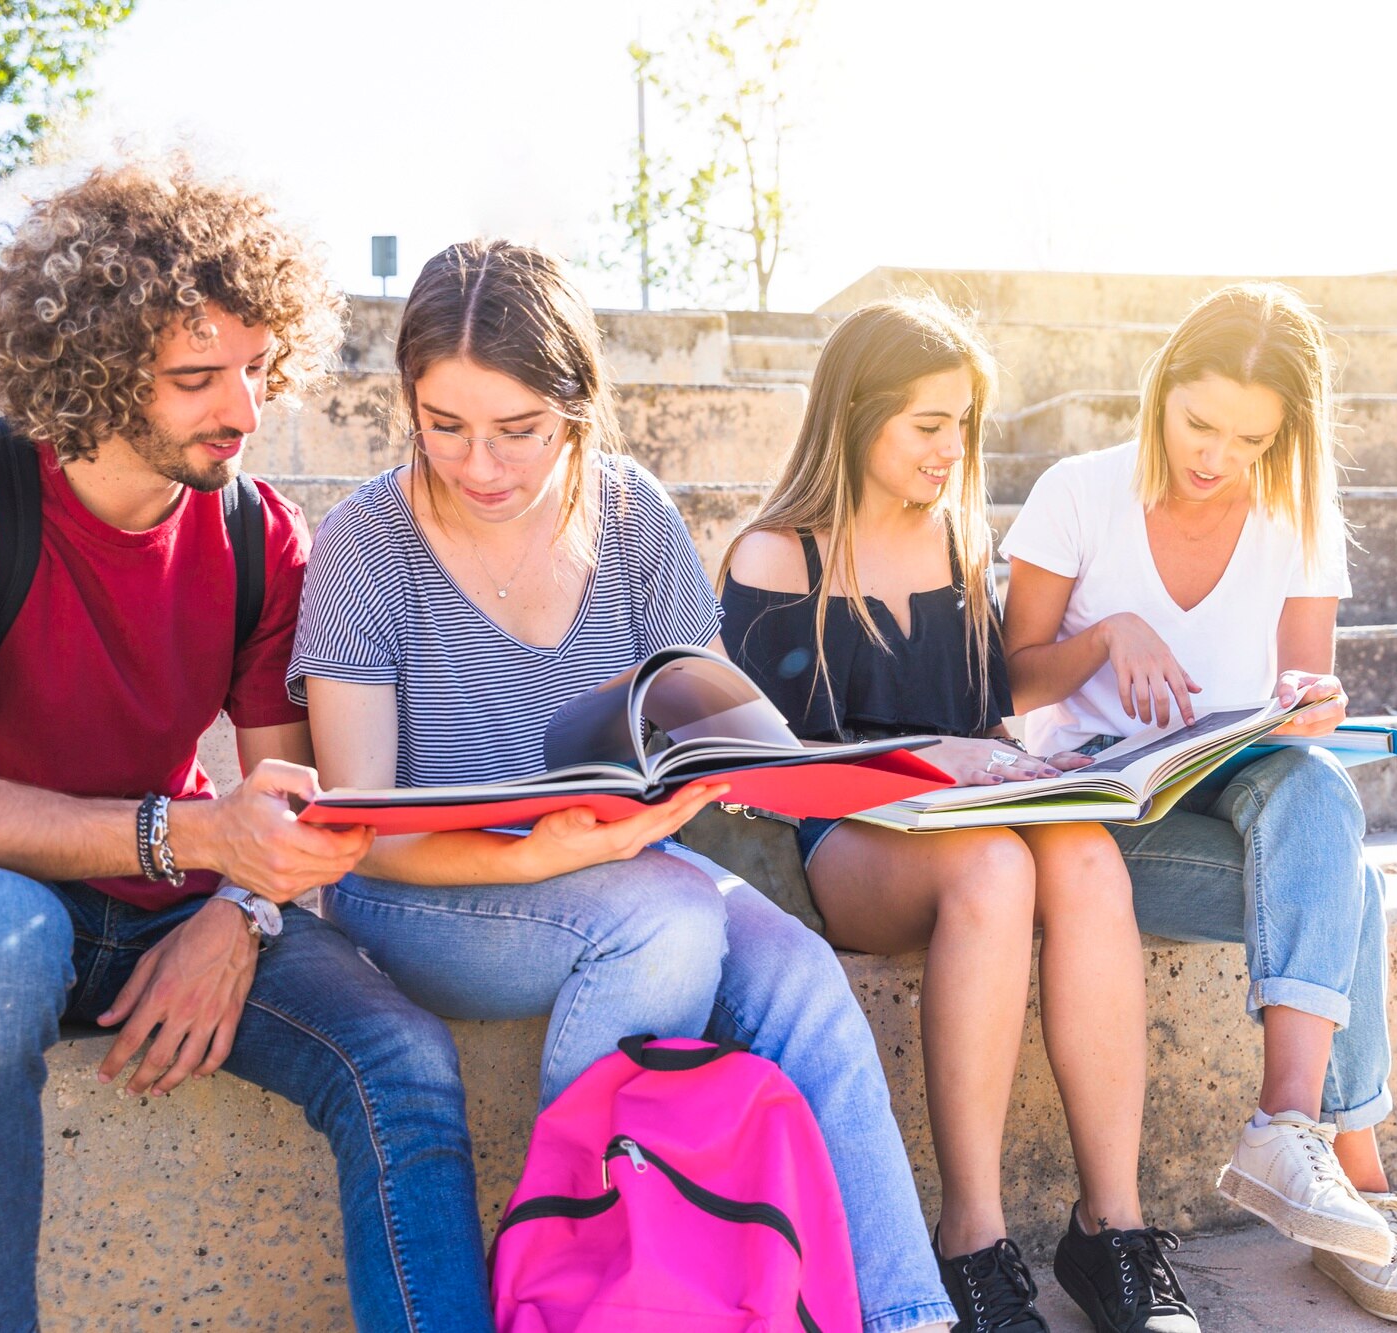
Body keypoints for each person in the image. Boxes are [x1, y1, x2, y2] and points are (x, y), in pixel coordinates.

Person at [0, 159, 494, 1333]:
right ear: (90, 370)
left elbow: (288, 806)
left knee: (401, 1056)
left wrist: (237, 916)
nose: (240, 410)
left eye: (251, 367)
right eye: (196, 377)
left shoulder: (260, 536)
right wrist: (187, 835)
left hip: (171, 908)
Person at [290, 237, 960, 1333]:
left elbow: (710, 704)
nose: (480, 467)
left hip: (615, 857)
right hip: (422, 890)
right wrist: (546, 854)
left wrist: (758, 764)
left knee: (799, 978)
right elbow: (364, 832)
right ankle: (590, 1301)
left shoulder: (632, 512)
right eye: (442, 424)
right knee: (662, 923)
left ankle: (904, 1314)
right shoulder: (364, 540)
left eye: (520, 431)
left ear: (579, 405)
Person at [720, 297, 1197, 1333]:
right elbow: (759, 767)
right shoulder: (776, 554)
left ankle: (1110, 1231)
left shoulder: (956, 544)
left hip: (964, 826)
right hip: (843, 845)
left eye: (962, 426)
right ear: (855, 416)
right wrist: (919, 759)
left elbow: (987, 716)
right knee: (993, 869)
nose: (951, 449)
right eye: (926, 425)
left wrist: (1054, 738)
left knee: (1080, 854)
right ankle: (969, 1242)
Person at [999, 283, 1397, 1327]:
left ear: (1284, 436)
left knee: (1317, 788)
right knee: (1347, 883)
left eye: (1247, 439)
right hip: (1093, 819)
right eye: (1196, 422)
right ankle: (1362, 1187)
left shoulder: (1297, 516)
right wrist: (1107, 632)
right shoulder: (1078, 493)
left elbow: (1298, 703)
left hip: (1234, 789)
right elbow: (1005, 685)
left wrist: (1314, 702)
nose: (1213, 455)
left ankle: (1285, 1124)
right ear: (1160, 390)